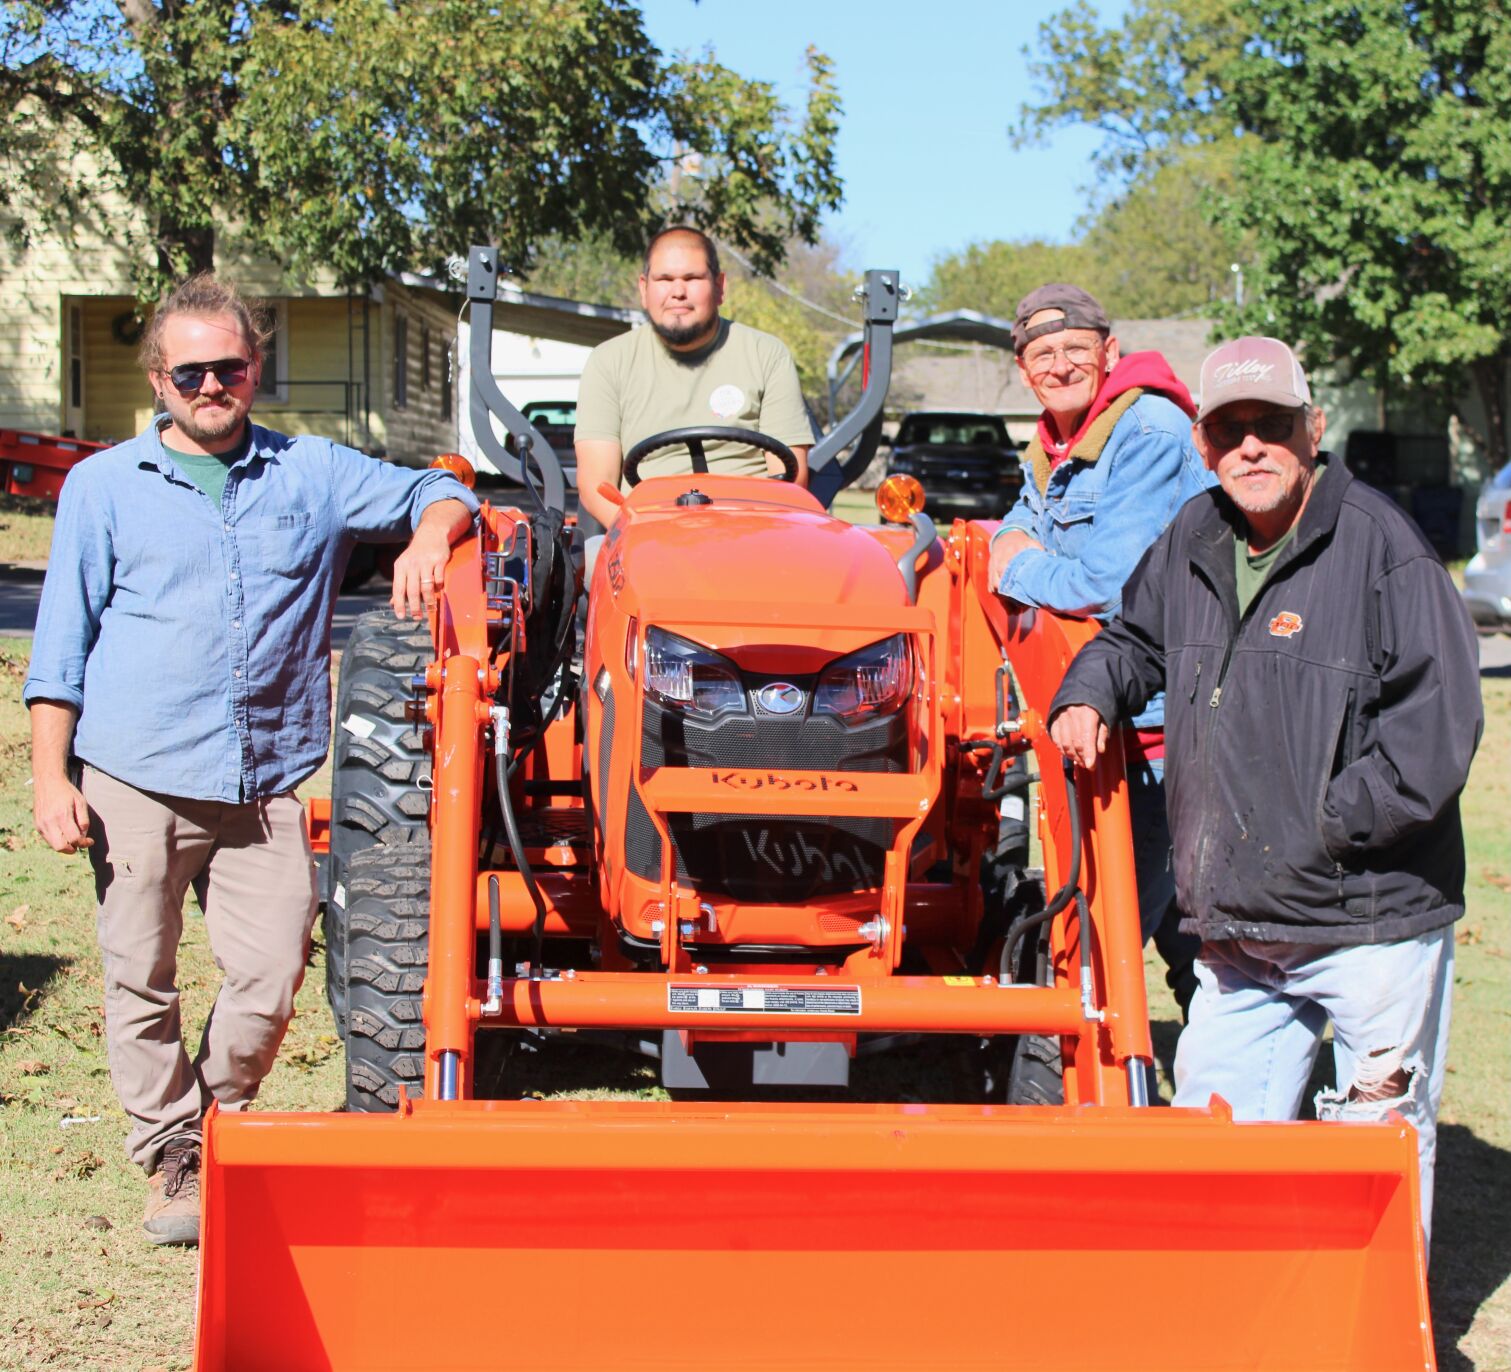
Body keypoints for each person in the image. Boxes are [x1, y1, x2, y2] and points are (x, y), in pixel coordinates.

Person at [24, 273, 479, 1246]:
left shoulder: (310, 471)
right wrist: (49, 777)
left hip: (263, 780)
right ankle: (174, 1154)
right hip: (134, 772)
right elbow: (60, 647)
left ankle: (212, 1120)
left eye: (228, 368)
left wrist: (428, 540)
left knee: (271, 975)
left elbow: (440, 488)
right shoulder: (103, 487)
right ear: (157, 379)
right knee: (139, 976)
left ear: (254, 368)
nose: (211, 386)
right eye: (190, 372)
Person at [1048, 335, 1480, 1245]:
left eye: (1271, 424)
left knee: (1375, 1153)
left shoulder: (1384, 549)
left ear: (1311, 429)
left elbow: (1434, 735)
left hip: (1367, 923)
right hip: (1240, 931)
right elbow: (1131, 639)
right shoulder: (1194, 532)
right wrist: (1086, 693)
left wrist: (1320, 829)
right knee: (1215, 1149)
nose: (1250, 446)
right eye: (1229, 428)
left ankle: (1375, 1320)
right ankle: (1237, 1312)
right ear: (1202, 443)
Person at [987, 284, 1213, 1010]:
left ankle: (1077, 1063)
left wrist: (1015, 569)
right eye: (1042, 355)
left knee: (1108, 934)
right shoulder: (1060, 439)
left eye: (1075, 349)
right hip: (1111, 717)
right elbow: (1018, 521)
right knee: (1191, 935)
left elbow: (1108, 586)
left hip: (1167, 726)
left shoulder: (1145, 429)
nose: (1059, 366)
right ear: (1024, 370)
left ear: (1109, 351)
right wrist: (1011, 544)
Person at [573, 225, 815, 538]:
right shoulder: (609, 360)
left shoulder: (766, 354)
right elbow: (597, 485)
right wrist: (642, 536)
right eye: (665, 279)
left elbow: (791, 478)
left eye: (692, 278)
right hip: (646, 533)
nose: (678, 291)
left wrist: (750, 539)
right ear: (644, 289)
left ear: (719, 286)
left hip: (748, 533)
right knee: (591, 557)